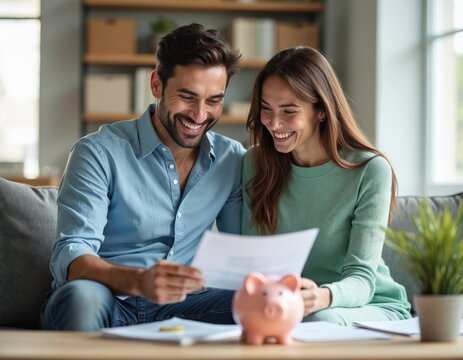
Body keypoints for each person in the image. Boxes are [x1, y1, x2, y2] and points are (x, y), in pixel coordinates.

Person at [41, 23, 245, 331]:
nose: (200, 114)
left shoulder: (231, 158)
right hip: (107, 298)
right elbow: (73, 257)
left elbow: (239, 249)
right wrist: (139, 281)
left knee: (256, 302)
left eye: (214, 100)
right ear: (156, 84)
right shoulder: (97, 152)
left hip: (185, 307)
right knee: (82, 298)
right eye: (187, 96)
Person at [241, 46, 411, 326]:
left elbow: (362, 279)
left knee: (320, 319)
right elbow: (255, 260)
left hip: (366, 304)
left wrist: (321, 296)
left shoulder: (370, 169)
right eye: (266, 109)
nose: (274, 123)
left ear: (321, 111)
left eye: (289, 111)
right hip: (283, 303)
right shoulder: (255, 162)